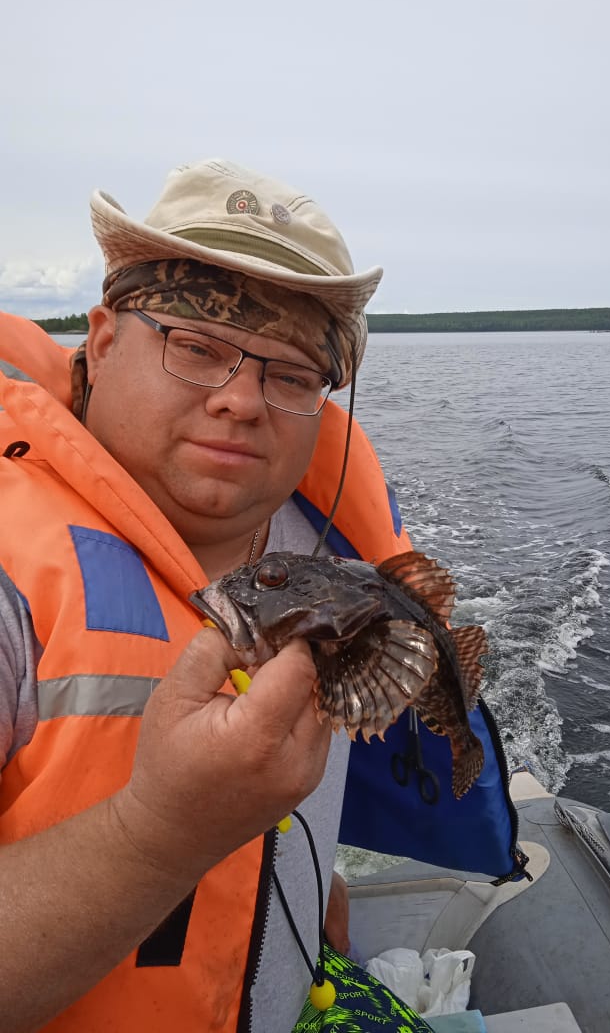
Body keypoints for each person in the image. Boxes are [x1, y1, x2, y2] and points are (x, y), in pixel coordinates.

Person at [0, 159, 417, 1032]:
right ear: (104, 343)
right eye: (195, 347)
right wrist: (158, 834)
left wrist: (308, 876)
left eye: (291, 375)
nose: (241, 401)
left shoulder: (329, 550)